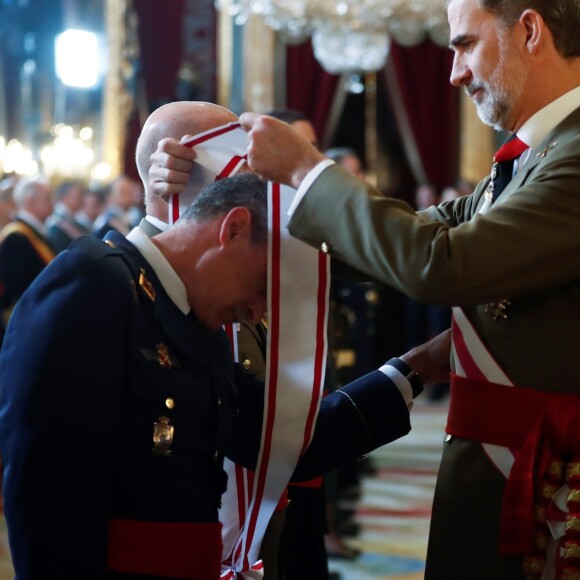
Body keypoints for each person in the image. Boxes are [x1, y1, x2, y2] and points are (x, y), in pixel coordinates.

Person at [237, 0, 580, 577]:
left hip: (546, 484)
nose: (455, 73)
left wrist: (309, 173)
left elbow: (441, 263)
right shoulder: (533, 157)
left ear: (528, 30)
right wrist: (256, 221)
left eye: (466, 45)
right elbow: (412, 239)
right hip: (507, 466)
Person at [0, 178, 54, 341]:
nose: (52, 204)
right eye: (47, 198)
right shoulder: (16, 237)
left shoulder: (35, 232)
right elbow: (11, 290)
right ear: (30, 201)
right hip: (26, 324)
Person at [46, 180, 90, 253]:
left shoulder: (73, 220)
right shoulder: (55, 222)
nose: (82, 199)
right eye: (78, 195)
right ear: (65, 197)